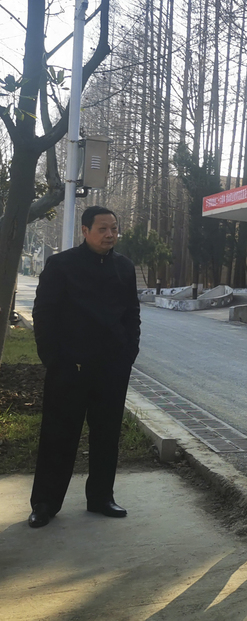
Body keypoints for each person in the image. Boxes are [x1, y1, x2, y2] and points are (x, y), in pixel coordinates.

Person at [28, 206, 141, 528]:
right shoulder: (61, 265)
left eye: (114, 228)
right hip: (69, 369)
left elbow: (131, 314)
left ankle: (101, 497)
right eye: (102, 229)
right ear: (85, 230)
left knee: (107, 436)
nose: (110, 234)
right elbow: (44, 314)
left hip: (112, 369)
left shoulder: (124, 267)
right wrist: (54, 360)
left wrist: (128, 353)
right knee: (58, 436)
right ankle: (45, 503)